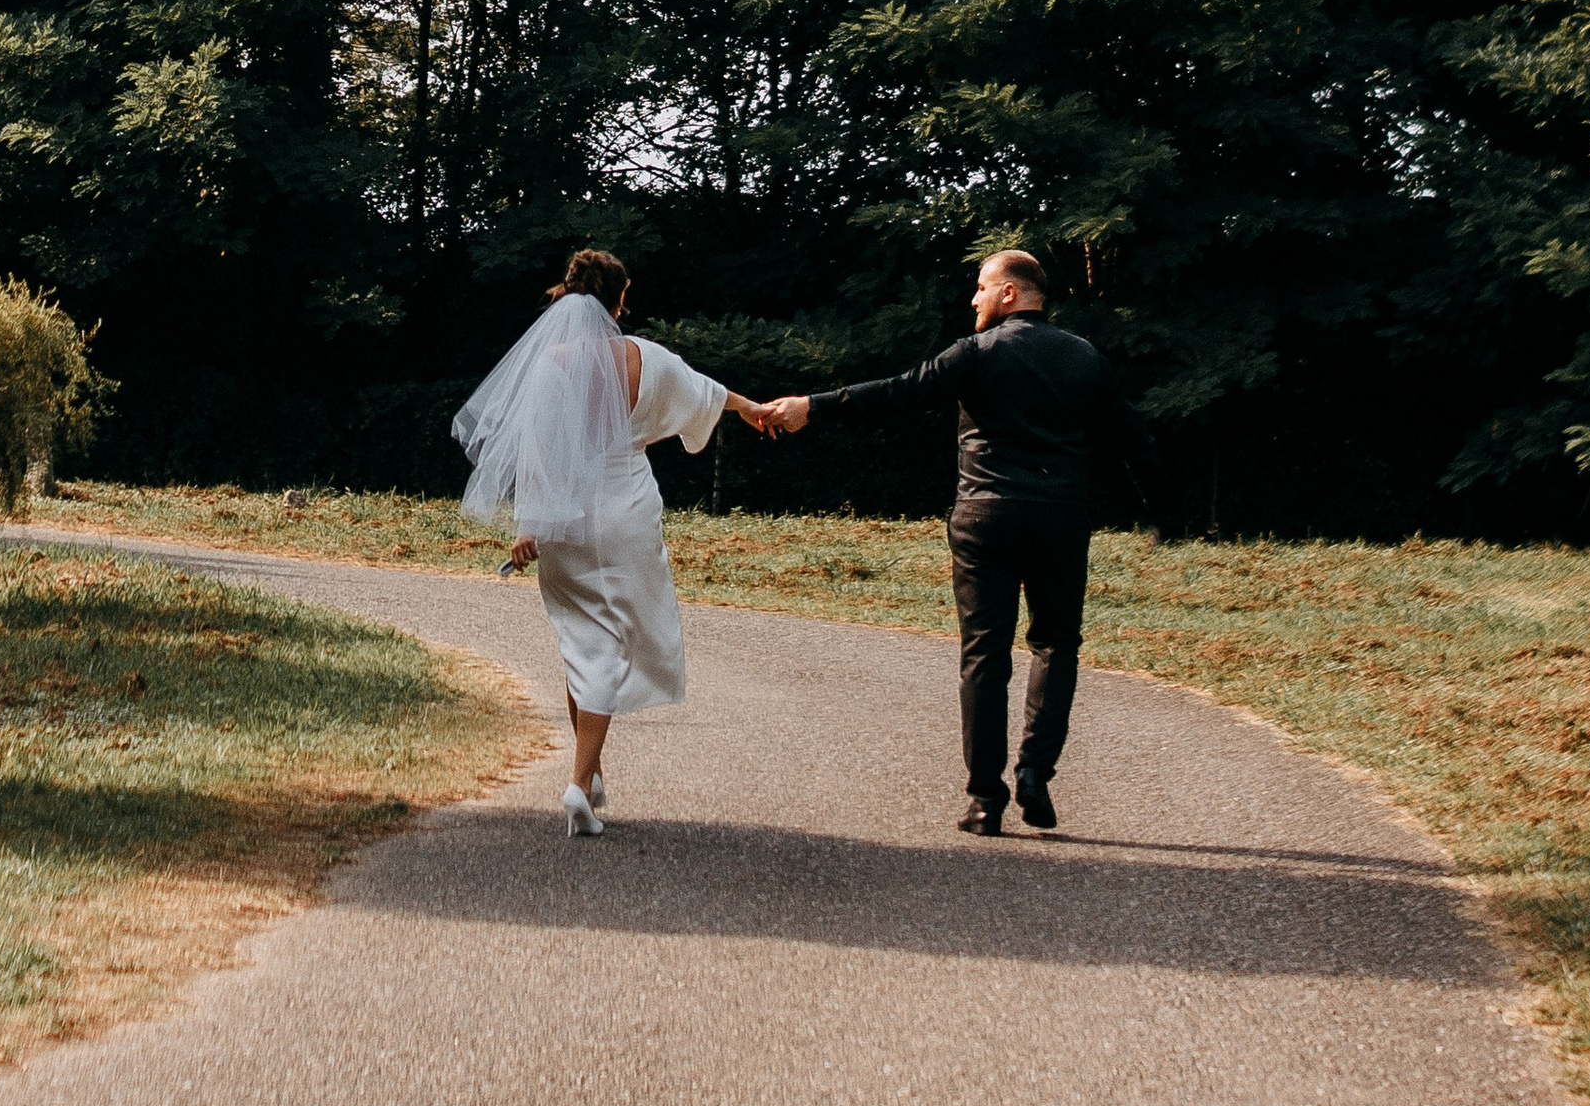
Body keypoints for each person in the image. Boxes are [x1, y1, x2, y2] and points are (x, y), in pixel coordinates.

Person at [766, 248, 1156, 838]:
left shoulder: (977, 353)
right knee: (1056, 644)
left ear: (1009, 294)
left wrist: (811, 406)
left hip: (985, 517)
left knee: (985, 655)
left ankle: (984, 800)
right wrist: (1160, 516)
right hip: (1060, 517)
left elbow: (897, 392)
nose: (972, 298)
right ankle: (1035, 774)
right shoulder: (1085, 357)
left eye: (980, 287)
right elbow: (1135, 439)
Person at [452, 247, 777, 837]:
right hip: (625, 509)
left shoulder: (552, 363)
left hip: (567, 516)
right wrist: (753, 409)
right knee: (611, 642)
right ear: (619, 299)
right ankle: (579, 784)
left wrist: (531, 524)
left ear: (569, 294)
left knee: (584, 640)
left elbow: (541, 447)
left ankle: (589, 772)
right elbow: (706, 392)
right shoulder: (644, 357)